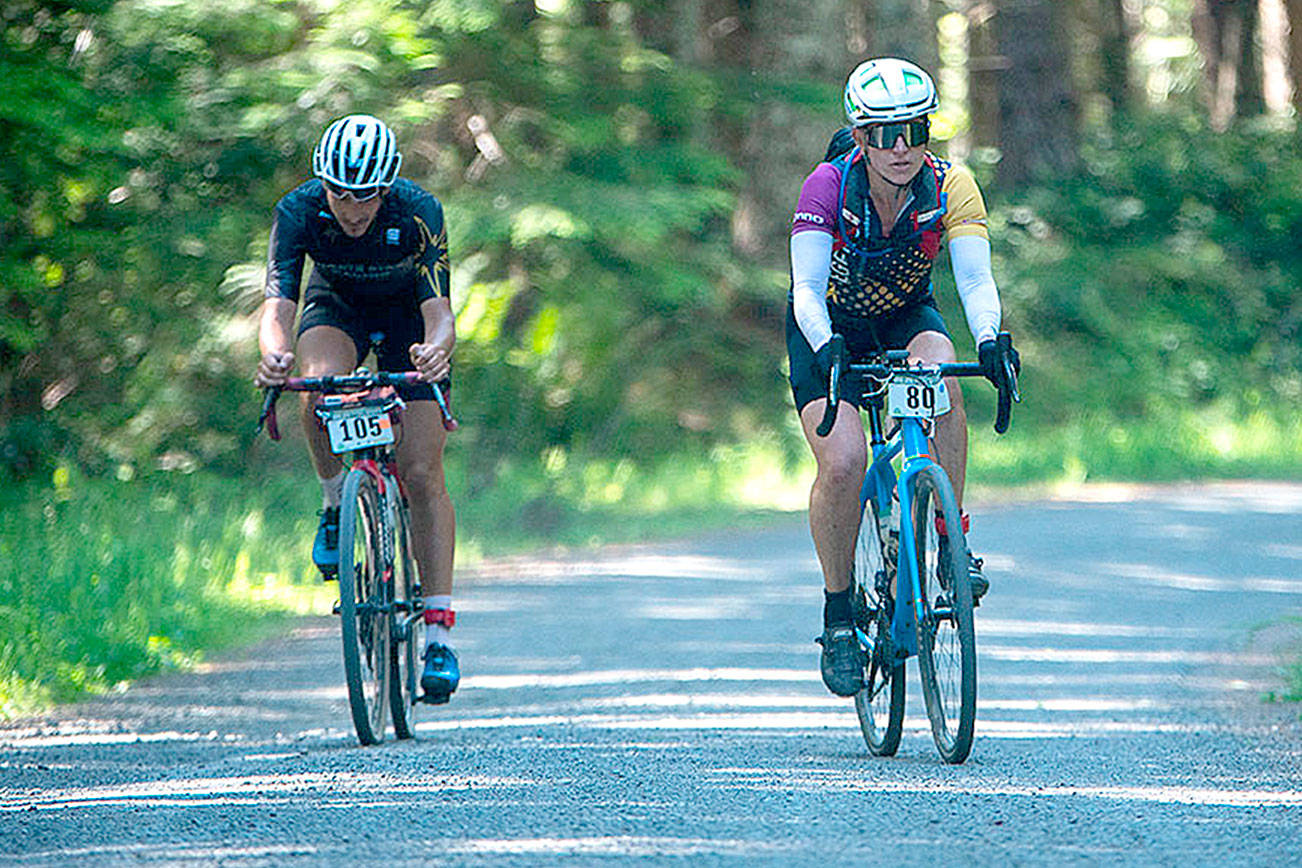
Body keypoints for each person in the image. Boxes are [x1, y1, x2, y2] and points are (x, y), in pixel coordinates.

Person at [786, 59, 1019, 697]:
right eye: (884, 134)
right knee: (844, 463)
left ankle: (949, 539)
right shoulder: (827, 187)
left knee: (943, 380)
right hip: (826, 326)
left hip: (904, 317)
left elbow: (974, 278)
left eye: (913, 131)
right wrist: (826, 344)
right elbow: (805, 289)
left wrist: (990, 338)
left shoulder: (951, 186)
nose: (900, 148)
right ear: (861, 137)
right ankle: (839, 613)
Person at [253, 114, 461, 703]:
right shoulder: (298, 212)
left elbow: (440, 312)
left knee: (421, 472)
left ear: (386, 187)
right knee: (319, 386)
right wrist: (273, 356)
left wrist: (436, 351)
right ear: (323, 185)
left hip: (407, 320)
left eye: (367, 195)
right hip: (336, 307)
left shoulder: (418, 211)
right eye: (341, 194)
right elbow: (278, 307)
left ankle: (438, 635)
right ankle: (335, 504)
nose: (352, 209)